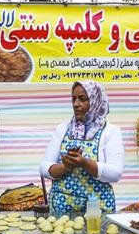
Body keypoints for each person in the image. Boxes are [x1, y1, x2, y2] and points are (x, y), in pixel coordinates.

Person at [40, 80, 124, 213]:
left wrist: (84, 163)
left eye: (82, 99)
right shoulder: (63, 129)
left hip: (97, 208)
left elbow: (115, 173)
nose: (76, 104)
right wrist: (65, 167)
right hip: (62, 207)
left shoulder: (111, 131)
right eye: (73, 99)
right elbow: (44, 167)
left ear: (96, 100)